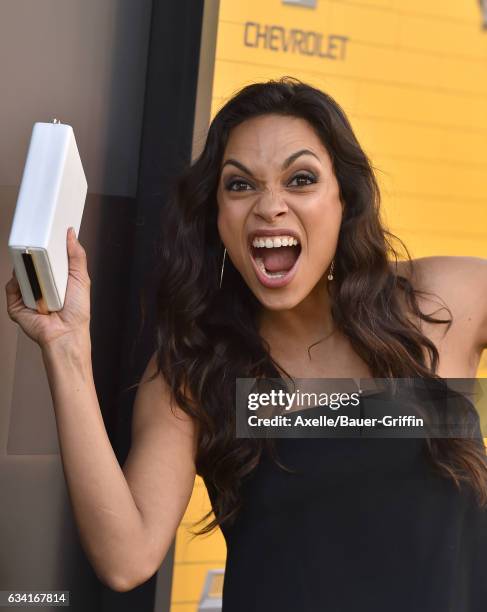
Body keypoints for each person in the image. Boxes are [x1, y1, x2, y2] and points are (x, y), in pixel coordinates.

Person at [5, 76, 487, 610]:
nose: (269, 206)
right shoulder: (198, 371)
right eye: (240, 185)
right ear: (217, 217)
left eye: (300, 179)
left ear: (344, 200)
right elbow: (125, 560)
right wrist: (66, 346)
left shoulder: (440, 302)